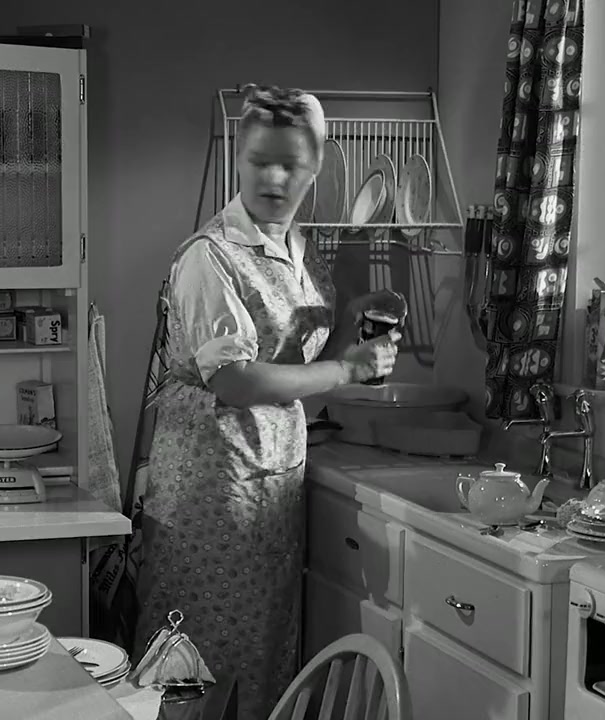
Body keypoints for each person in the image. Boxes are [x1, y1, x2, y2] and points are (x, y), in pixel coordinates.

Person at [132, 85, 402, 718]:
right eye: (260, 161)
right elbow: (236, 381)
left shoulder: (298, 248)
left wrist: (350, 327)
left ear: (316, 166)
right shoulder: (210, 256)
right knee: (192, 669)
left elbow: (293, 366)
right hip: (207, 497)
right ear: (238, 158)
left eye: (290, 163)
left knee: (260, 662)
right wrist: (347, 367)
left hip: (271, 492)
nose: (274, 178)